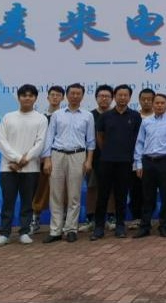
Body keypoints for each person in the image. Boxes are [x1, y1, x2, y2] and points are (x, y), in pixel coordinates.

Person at [0, 84, 46, 247]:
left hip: (31, 169)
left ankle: (24, 232)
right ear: (18, 97)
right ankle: (4, 233)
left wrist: (25, 159)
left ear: (35, 98)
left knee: (27, 202)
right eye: (24, 95)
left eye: (30, 95)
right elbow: (2, 142)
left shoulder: (41, 119)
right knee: (7, 202)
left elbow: (40, 143)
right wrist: (17, 159)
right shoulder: (8, 117)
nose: (27, 98)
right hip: (8, 168)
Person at [41, 83, 95, 243]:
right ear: (67, 95)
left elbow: (91, 141)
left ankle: (71, 229)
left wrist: (89, 160)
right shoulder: (57, 115)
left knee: (74, 195)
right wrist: (47, 159)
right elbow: (49, 138)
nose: (75, 96)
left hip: (78, 155)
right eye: (72, 93)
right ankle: (55, 230)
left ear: (82, 96)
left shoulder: (88, 116)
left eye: (78, 94)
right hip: (57, 155)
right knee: (56, 194)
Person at [91, 85, 142, 240]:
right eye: (120, 95)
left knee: (121, 195)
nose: (122, 98)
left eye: (126, 95)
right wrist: (108, 151)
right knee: (103, 195)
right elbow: (100, 137)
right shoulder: (105, 116)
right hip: (106, 161)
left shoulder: (135, 116)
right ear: (114, 96)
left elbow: (138, 138)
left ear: (129, 97)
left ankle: (120, 225)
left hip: (126, 162)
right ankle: (99, 227)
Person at [133, 93, 166, 238]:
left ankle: (164, 226)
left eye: (162, 103)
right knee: (147, 196)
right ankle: (145, 226)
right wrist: (138, 164)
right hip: (148, 162)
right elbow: (140, 143)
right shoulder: (146, 122)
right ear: (152, 104)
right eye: (157, 103)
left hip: (165, 161)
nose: (159, 105)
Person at [30, 85, 64, 235]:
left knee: (62, 191)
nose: (55, 97)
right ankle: (35, 219)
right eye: (53, 95)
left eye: (58, 95)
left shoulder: (65, 116)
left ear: (63, 98)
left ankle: (62, 221)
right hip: (42, 159)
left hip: (62, 158)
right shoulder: (40, 118)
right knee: (40, 190)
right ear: (48, 97)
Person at [82, 84, 114, 233]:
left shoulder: (116, 114)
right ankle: (91, 219)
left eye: (107, 96)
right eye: (101, 96)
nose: (104, 99)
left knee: (112, 189)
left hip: (113, 159)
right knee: (92, 188)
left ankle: (111, 217)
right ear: (96, 98)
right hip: (93, 158)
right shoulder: (89, 116)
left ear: (112, 98)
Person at [128, 88, 155, 229]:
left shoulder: (160, 117)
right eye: (143, 99)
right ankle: (136, 217)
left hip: (153, 160)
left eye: (149, 99)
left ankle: (148, 218)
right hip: (135, 160)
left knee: (150, 191)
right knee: (136, 190)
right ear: (139, 100)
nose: (146, 102)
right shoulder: (133, 116)